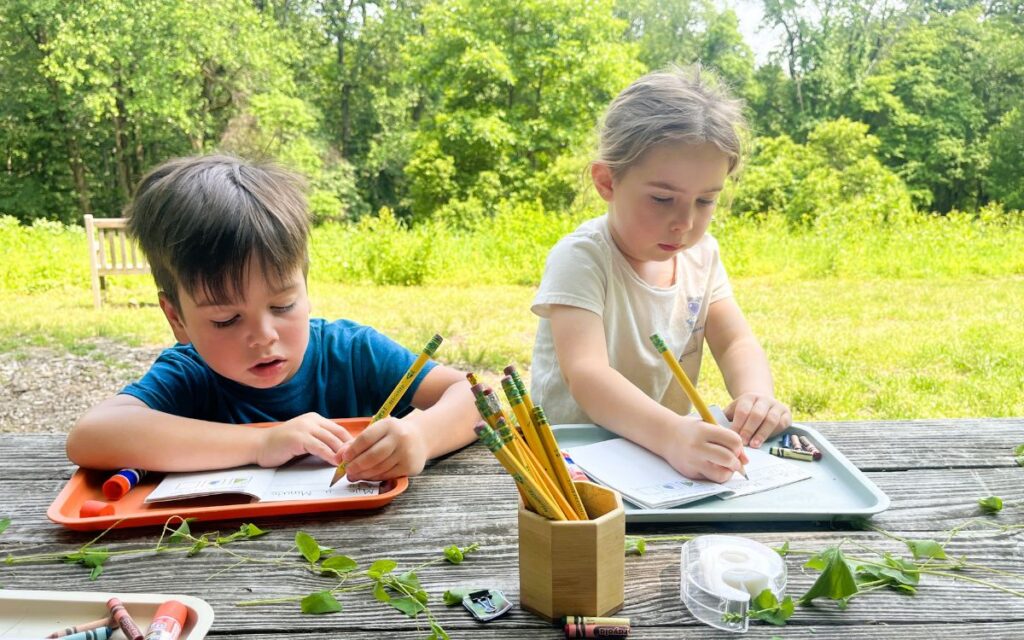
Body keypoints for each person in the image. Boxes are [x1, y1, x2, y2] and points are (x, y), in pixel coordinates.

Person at [67, 155, 478, 481]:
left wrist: (421, 437)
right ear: (177, 319)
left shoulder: (352, 353)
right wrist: (261, 443)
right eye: (226, 319)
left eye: (282, 306)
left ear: (306, 290)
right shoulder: (190, 375)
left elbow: (480, 396)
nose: (263, 336)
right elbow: (91, 435)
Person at [530, 67, 791, 483]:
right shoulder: (581, 258)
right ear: (606, 181)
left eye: (705, 201)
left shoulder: (702, 256)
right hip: (574, 462)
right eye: (662, 198)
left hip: (665, 462)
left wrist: (756, 396)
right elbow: (587, 375)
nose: (684, 222)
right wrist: (672, 435)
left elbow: (734, 341)